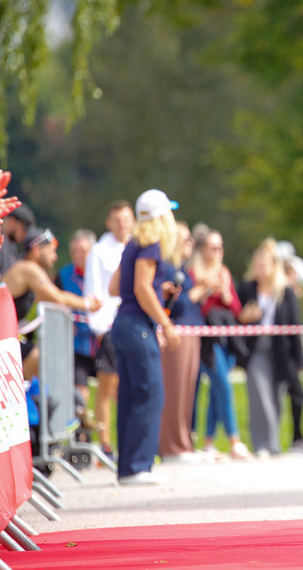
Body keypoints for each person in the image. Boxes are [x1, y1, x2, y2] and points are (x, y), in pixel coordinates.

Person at [109, 189, 181, 485]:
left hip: (123, 323)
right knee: (150, 394)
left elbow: (116, 287)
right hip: (138, 327)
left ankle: (128, 466)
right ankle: (139, 465)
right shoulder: (151, 242)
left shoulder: (131, 244)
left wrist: (152, 288)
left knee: (129, 395)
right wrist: (165, 322)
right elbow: (140, 287)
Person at [239, 238, 303, 456]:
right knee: (259, 395)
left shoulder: (286, 292)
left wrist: (299, 360)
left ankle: (273, 444)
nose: (260, 270)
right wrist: (245, 317)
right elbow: (237, 316)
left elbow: (295, 326)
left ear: (273, 266)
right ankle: (263, 444)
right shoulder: (247, 288)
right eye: (257, 265)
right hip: (256, 349)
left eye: (264, 265)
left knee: (276, 397)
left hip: (281, 351)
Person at [2, 226, 102, 379]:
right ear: (36, 251)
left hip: (3, 337)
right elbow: (58, 297)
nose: (54, 257)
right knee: (39, 357)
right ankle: (30, 397)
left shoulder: (28, 270)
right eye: (51, 251)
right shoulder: (28, 269)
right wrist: (88, 304)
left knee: (40, 359)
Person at [190, 228, 250, 460]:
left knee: (217, 391)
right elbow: (196, 310)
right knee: (223, 386)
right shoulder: (195, 273)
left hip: (226, 339)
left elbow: (235, 309)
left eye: (220, 247)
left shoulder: (224, 272)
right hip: (207, 341)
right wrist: (207, 288)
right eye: (213, 247)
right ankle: (234, 440)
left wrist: (224, 292)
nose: (218, 252)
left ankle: (209, 441)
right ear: (203, 250)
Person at [83, 199, 135, 462]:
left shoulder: (140, 246)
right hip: (111, 325)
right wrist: (99, 328)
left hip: (135, 323)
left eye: (126, 219)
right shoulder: (100, 251)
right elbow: (93, 289)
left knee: (132, 385)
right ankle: (105, 445)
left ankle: (130, 442)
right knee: (108, 385)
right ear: (108, 223)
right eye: (117, 220)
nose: (122, 224)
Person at [158, 221, 207, 462]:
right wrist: (200, 291)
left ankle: (183, 442)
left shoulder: (183, 268)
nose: (190, 244)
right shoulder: (168, 269)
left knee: (188, 392)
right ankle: (172, 446)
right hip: (176, 332)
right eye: (186, 239)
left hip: (192, 331)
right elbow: (178, 304)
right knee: (175, 391)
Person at [54, 228, 99, 427]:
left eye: (83, 251)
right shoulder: (64, 275)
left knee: (112, 387)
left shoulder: (103, 274)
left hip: (102, 340)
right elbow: (54, 301)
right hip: (77, 343)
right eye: (75, 251)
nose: (78, 256)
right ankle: (81, 431)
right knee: (80, 388)